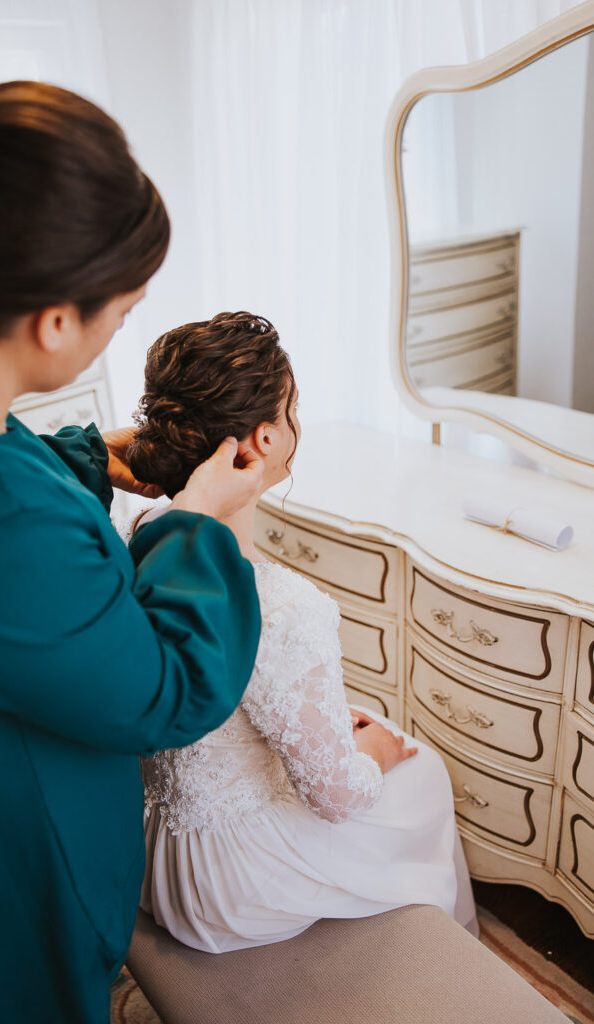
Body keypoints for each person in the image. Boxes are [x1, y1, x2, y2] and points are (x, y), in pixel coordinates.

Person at [0, 85, 265, 1024]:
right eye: (123, 310)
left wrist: (82, 457)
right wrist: (201, 521)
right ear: (56, 321)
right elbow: (165, 692)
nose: (121, 329)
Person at [129, 311, 479, 953]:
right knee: (420, 768)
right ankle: (442, 962)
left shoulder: (145, 535)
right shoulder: (284, 607)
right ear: (262, 441)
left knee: (356, 722)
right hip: (233, 885)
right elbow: (339, 798)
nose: (297, 425)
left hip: (158, 854)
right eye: (292, 412)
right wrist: (378, 753)